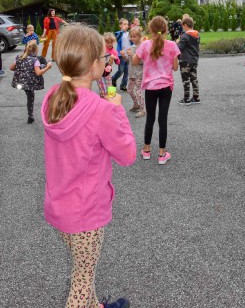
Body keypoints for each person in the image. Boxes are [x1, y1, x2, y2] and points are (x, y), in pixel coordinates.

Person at [41, 24, 136, 308]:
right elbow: (128, 155)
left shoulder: (54, 97)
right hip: (85, 216)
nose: (107, 61)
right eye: (104, 57)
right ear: (95, 65)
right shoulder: (102, 110)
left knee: (85, 271)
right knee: (82, 279)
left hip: (60, 209)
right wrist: (117, 109)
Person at [132, 16, 180, 164]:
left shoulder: (145, 45)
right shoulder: (172, 45)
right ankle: (161, 153)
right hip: (166, 86)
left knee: (150, 118)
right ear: (165, 29)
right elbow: (175, 68)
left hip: (151, 87)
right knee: (162, 118)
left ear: (150, 29)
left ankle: (146, 150)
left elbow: (134, 61)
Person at [10, 40, 52, 123]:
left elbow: (11, 68)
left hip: (21, 82)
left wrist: (20, 67)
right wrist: (48, 67)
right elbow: (38, 73)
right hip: (30, 83)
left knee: (29, 95)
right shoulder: (35, 60)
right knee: (30, 97)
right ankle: (30, 116)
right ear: (36, 50)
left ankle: (30, 115)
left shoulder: (19, 57)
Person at [177, 16, 200, 105]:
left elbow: (179, 49)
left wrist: (177, 43)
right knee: (194, 78)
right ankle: (196, 97)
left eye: (183, 26)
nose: (182, 28)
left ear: (185, 25)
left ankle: (186, 99)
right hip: (194, 59)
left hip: (185, 60)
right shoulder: (197, 34)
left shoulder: (185, 35)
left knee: (185, 79)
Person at [126, 26, 146, 117]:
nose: (132, 38)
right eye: (131, 36)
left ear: (139, 36)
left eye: (134, 36)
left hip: (138, 74)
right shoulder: (131, 46)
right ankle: (136, 105)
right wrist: (124, 56)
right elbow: (129, 60)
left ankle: (143, 109)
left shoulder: (142, 47)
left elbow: (142, 61)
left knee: (138, 92)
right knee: (129, 90)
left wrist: (132, 54)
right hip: (131, 73)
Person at [97, 32, 120, 97]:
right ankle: (104, 102)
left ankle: (112, 102)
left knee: (110, 87)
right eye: (107, 42)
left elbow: (118, 62)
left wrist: (116, 58)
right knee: (102, 88)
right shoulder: (101, 50)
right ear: (104, 42)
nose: (109, 44)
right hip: (99, 72)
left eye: (111, 42)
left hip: (107, 72)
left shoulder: (114, 51)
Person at [112, 18, 131, 91]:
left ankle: (123, 85)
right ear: (120, 25)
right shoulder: (119, 33)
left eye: (127, 24)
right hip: (121, 55)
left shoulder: (129, 34)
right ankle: (113, 78)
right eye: (124, 24)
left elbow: (132, 42)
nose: (126, 26)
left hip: (128, 55)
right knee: (121, 70)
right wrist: (122, 32)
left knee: (127, 72)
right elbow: (116, 39)